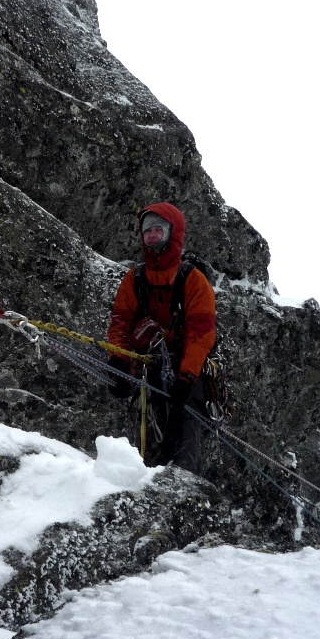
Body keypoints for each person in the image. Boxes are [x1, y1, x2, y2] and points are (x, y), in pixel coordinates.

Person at [107, 202, 216, 474]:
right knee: (148, 434)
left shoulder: (193, 280)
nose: (152, 236)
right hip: (150, 367)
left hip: (187, 370)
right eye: (148, 232)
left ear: (173, 233)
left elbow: (201, 332)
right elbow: (121, 322)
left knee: (184, 431)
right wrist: (119, 362)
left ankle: (185, 488)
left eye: (158, 230)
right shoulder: (135, 278)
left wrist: (187, 377)